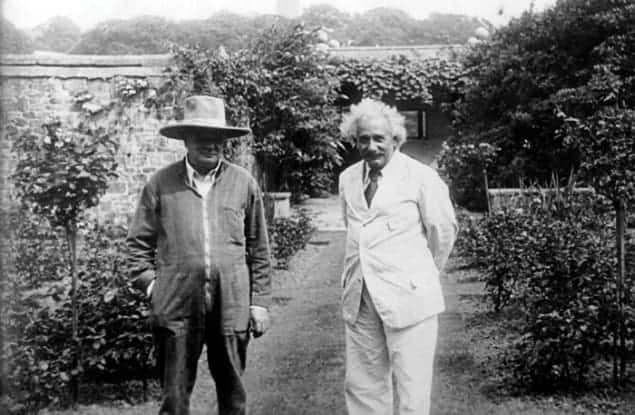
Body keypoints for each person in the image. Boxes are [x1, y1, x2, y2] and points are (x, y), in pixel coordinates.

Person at [126, 95, 272, 415]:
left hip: (230, 304)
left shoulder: (243, 183)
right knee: (174, 399)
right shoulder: (160, 184)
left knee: (233, 394)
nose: (211, 144)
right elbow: (137, 247)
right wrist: (155, 287)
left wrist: (259, 301)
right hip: (176, 307)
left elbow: (259, 247)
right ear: (186, 141)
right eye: (201, 137)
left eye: (217, 137)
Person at [338, 98, 458, 415]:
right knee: (363, 387)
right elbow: (354, 229)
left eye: (379, 138)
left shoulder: (421, 177)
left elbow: (442, 233)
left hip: (411, 298)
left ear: (395, 139)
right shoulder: (348, 179)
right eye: (363, 139)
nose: (371, 146)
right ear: (355, 140)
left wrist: (418, 275)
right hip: (361, 298)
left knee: (412, 389)